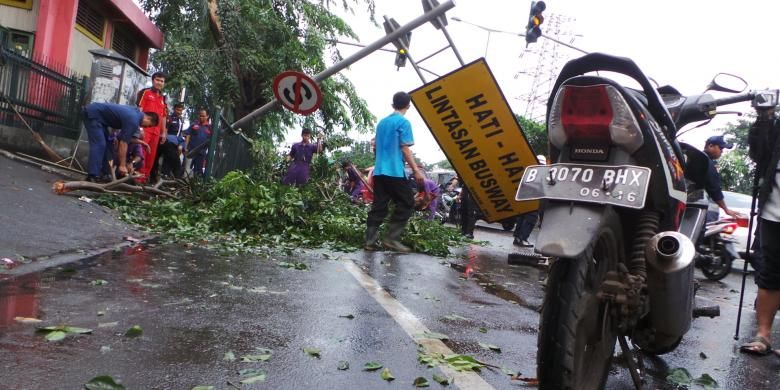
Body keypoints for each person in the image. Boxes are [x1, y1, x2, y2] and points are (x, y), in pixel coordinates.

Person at [740, 105, 780, 356]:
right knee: (770, 273)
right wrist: (764, 118)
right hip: (774, 212)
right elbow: (758, 153)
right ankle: (763, 335)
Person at [364, 91, 425, 252]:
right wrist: (416, 170)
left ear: (393, 104)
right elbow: (404, 149)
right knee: (407, 202)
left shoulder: (382, 123)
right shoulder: (403, 122)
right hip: (395, 171)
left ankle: (370, 241)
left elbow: (376, 146)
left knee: (379, 205)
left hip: (379, 171)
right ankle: (391, 239)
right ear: (408, 106)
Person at [82, 103, 157, 181]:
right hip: (93, 114)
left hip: (101, 119)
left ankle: (105, 174)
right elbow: (123, 143)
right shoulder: (134, 120)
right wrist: (122, 165)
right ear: (148, 118)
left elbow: (116, 117)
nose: (146, 127)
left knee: (108, 145)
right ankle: (92, 175)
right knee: (100, 144)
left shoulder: (135, 113)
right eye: (149, 125)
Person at [135, 72, 168, 183]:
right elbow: (139, 109)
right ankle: (136, 178)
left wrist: (164, 133)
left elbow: (163, 116)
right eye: (157, 80)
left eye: (162, 81)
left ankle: (144, 179)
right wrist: (139, 127)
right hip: (145, 129)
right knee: (141, 153)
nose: (159, 82)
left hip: (156, 132)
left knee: (151, 155)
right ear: (153, 80)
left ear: (164, 83)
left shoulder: (163, 99)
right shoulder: (145, 92)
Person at [702, 135, 742, 220]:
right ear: (711, 146)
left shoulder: (698, 159)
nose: (722, 151)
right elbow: (715, 190)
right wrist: (726, 209)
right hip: (705, 212)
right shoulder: (706, 162)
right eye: (720, 148)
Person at [513, 154, 547, 247]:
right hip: (533, 199)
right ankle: (523, 238)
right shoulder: (542, 173)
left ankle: (517, 237)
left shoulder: (529, 169)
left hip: (524, 197)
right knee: (531, 219)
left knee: (522, 217)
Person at [157, 102, 185, 178]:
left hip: (177, 142)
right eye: (177, 110)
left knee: (171, 158)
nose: (179, 112)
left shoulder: (181, 120)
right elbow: (165, 129)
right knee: (173, 158)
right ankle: (173, 175)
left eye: (181, 110)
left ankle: (166, 175)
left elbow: (180, 134)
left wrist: (181, 144)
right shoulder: (170, 118)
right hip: (168, 142)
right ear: (174, 109)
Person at [183, 109, 212, 177]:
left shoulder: (210, 128)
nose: (201, 117)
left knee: (198, 171)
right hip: (191, 151)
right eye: (200, 116)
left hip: (201, 153)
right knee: (186, 170)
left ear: (207, 116)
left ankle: (194, 184)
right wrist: (185, 147)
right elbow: (188, 135)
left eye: (203, 116)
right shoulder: (194, 124)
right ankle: (183, 182)